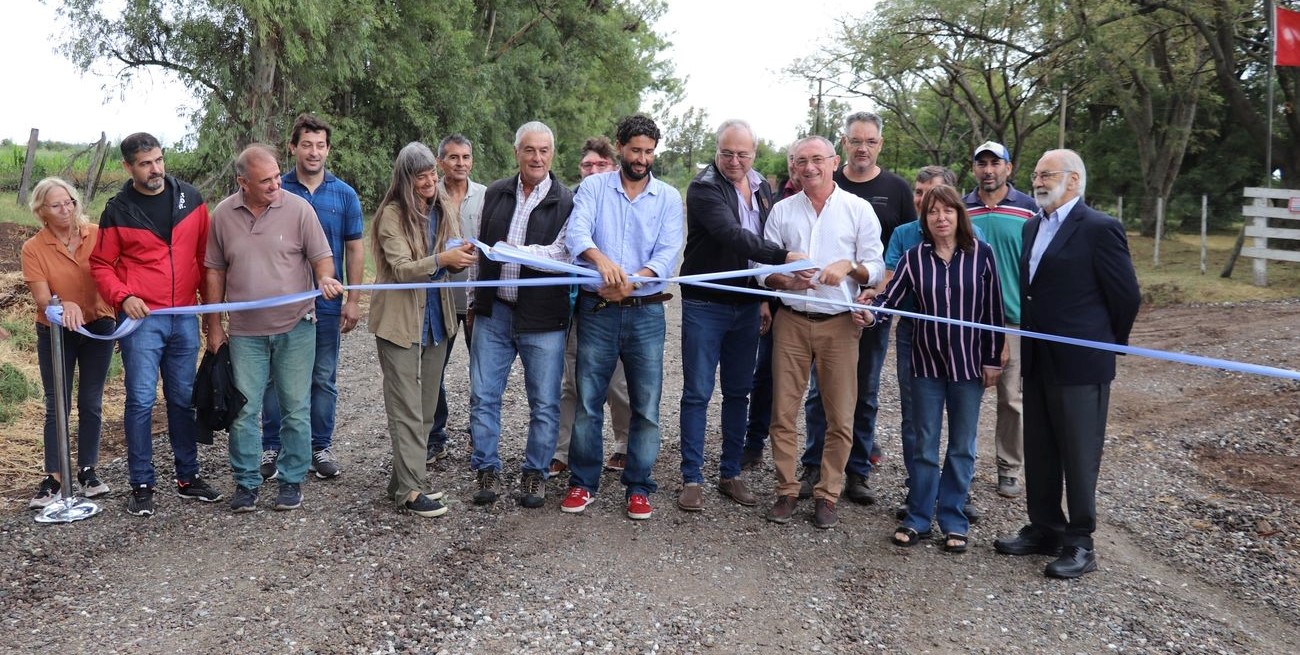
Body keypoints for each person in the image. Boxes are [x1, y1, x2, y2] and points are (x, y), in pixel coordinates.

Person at [993, 149, 1140, 579]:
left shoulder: (1099, 228)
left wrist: (1104, 344)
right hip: (1037, 359)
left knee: (1078, 456)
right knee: (1039, 450)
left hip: (1081, 365)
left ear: (1073, 180)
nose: (1038, 181)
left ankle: (1080, 542)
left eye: (1047, 174)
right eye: (1036, 174)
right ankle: (1045, 529)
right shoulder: (1032, 226)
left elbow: (1125, 296)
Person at [857, 185, 1004, 553]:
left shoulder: (982, 256)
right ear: (925, 219)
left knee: (961, 445)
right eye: (934, 212)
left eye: (948, 211)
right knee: (924, 443)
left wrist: (992, 358)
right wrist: (869, 313)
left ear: (959, 215)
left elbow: (993, 311)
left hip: (969, 365)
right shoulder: (913, 258)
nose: (941, 218)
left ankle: (953, 518)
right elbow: (889, 301)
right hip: (925, 363)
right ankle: (919, 516)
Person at [203, 144, 344, 513]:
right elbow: (214, 270)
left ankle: (291, 480)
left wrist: (326, 280)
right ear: (242, 182)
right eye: (265, 180)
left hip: (296, 325)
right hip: (246, 332)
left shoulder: (299, 209)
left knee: (295, 407)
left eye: (277, 176)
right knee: (244, 409)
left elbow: (322, 259)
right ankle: (247, 483)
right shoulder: (222, 214)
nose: (275, 185)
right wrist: (214, 325)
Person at [91, 132, 223, 517]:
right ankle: (142, 483)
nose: (156, 169)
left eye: (160, 160)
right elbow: (100, 264)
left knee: (183, 398)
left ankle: (188, 477)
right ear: (128, 166)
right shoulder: (117, 210)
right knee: (141, 400)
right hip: (142, 320)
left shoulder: (192, 199)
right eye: (146, 163)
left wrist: (209, 316)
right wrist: (123, 297)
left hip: (183, 315)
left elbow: (204, 258)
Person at [561, 114, 683, 520]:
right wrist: (601, 262)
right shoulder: (594, 188)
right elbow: (577, 235)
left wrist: (633, 282)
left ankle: (639, 487)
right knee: (587, 402)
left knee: (646, 405)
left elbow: (667, 255)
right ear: (620, 146)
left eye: (649, 152)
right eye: (635, 150)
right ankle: (582, 483)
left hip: (646, 313)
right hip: (597, 311)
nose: (642, 159)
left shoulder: (667, 197)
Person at [759, 135, 884, 530]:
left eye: (816, 159)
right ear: (792, 166)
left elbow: (876, 268)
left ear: (834, 161)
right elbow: (762, 270)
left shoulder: (858, 209)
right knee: (782, 411)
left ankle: (828, 493)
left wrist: (848, 266)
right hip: (792, 322)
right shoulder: (781, 211)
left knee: (840, 416)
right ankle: (786, 489)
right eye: (800, 161)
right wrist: (785, 281)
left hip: (840, 326)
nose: (808, 167)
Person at [677, 119, 800, 511]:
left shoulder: (763, 187)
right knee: (697, 393)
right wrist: (782, 258)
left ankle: (731, 473)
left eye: (742, 153)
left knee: (738, 392)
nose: (734, 160)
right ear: (717, 151)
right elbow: (732, 235)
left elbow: (760, 239)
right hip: (705, 303)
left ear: (754, 153)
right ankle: (692, 478)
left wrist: (764, 294)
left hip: (747, 304)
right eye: (727, 152)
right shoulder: (703, 187)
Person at [800, 111, 917, 505]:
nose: (862, 147)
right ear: (843, 146)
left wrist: (879, 292)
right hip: (826, 307)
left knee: (864, 390)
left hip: (873, 305)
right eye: (855, 140)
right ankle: (814, 463)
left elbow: (910, 249)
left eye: (870, 141)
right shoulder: (824, 178)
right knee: (821, 391)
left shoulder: (897, 189)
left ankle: (857, 470)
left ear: (880, 144)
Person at [367, 142, 477, 518]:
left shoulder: (442, 208)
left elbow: (451, 267)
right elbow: (400, 269)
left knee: (427, 409)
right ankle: (411, 491)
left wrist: (461, 258)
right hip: (399, 324)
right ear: (405, 178)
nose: (429, 180)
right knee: (406, 408)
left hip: (437, 320)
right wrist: (442, 259)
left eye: (432, 172)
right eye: (421, 176)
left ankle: (404, 480)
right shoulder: (391, 215)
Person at [467, 121, 573, 508]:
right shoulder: (496, 192)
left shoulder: (567, 201)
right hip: (494, 313)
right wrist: (473, 301)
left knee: (544, 402)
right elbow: (482, 252)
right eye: (530, 150)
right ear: (517, 152)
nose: (537, 158)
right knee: (483, 396)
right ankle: (486, 467)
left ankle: (535, 474)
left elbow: (563, 257)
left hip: (543, 320)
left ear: (552, 155)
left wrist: (516, 250)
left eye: (544, 151)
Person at [259, 114, 365, 481]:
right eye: (306, 144)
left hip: (327, 303)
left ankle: (320, 447)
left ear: (328, 149)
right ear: (293, 147)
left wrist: (352, 298)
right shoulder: (275, 189)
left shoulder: (345, 194)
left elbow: (354, 248)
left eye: (320, 145)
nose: (314, 152)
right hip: (282, 304)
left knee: (322, 377)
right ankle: (272, 447)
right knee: (276, 378)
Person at [22, 177, 116, 508]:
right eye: (57, 205)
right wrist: (64, 305)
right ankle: (54, 477)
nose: (66, 209)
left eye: (70, 202)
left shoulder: (97, 235)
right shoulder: (33, 248)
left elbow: (114, 274)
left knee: (91, 400)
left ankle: (88, 470)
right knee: (56, 403)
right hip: (56, 331)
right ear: (41, 211)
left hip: (98, 326)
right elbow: (44, 299)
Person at [881, 165, 960, 521]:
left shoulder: (973, 238)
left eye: (934, 193)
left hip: (962, 339)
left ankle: (956, 496)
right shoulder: (902, 235)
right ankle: (920, 492)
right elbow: (889, 281)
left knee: (960, 422)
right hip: (914, 335)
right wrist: (872, 305)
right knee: (916, 420)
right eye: (918, 192)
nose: (925, 200)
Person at [552, 136, 632, 475]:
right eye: (587, 165)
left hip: (613, 303)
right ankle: (562, 450)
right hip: (572, 306)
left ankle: (625, 444)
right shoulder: (568, 200)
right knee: (570, 382)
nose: (593, 170)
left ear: (613, 167)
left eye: (601, 164)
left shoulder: (621, 201)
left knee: (617, 382)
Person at [963, 141, 1039, 499]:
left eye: (996, 163)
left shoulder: (1029, 209)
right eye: (982, 164)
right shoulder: (961, 208)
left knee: (1011, 399)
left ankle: (1009, 467)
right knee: (963, 396)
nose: (988, 170)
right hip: (967, 319)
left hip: (1012, 320)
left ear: (1009, 168)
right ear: (973, 168)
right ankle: (961, 464)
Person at [427, 134, 487, 462]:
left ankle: (479, 436)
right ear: (441, 162)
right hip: (441, 297)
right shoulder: (428, 194)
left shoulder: (487, 196)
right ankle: (435, 436)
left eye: (466, 157)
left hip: (477, 298)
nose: (460, 163)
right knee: (434, 370)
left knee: (482, 371)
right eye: (453, 158)